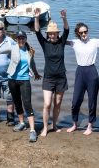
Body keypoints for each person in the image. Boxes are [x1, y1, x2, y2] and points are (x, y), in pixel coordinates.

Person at [66, 23, 99, 135]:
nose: (84, 34)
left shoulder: (94, 42)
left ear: (88, 31)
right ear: (78, 33)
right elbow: (59, 40)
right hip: (80, 71)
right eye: (81, 32)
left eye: (85, 31)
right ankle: (75, 124)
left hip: (91, 71)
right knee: (75, 100)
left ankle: (90, 125)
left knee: (92, 100)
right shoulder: (74, 42)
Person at [34, 8, 69, 137]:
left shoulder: (62, 42)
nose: (52, 35)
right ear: (48, 34)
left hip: (61, 78)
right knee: (47, 103)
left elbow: (67, 30)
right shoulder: (44, 44)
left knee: (57, 103)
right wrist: (36, 18)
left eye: (54, 33)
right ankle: (44, 128)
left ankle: (54, 125)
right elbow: (37, 31)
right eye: (50, 33)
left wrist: (64, 18)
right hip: (48, 78)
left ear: (57, 34)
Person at [8, 30, 41, 142]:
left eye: (22, 38)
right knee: (17, 102)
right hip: (12, 79)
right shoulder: (12, 48)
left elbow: (32, 63)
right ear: (16, 39)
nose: (20, 40)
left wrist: (36, 73)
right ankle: (22, 123)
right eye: (18, 38)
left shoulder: (30, 50)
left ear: (26, 39)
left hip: (24, 80)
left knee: (27, 103)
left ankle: (32, 130)